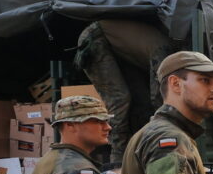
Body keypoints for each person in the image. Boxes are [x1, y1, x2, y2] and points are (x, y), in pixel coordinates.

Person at [75, 19, 179, 165]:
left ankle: (136, 154)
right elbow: (159, 97)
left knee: (141, 103)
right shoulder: (162, 50)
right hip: (96, 40)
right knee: (120, 99)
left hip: (119, 50)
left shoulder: (163, 49)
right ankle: (117, 158)